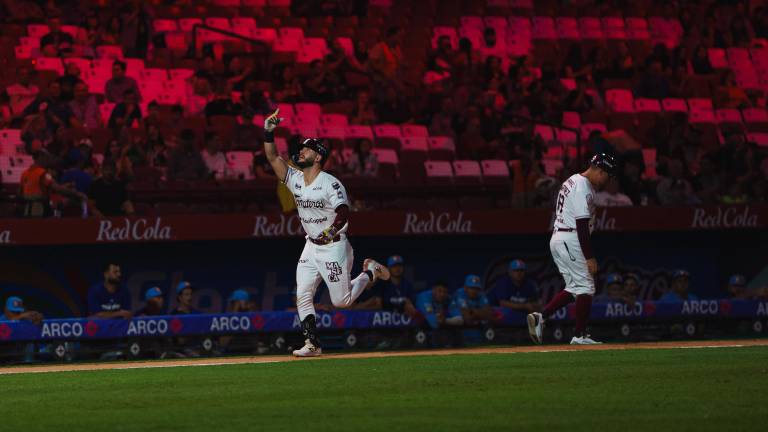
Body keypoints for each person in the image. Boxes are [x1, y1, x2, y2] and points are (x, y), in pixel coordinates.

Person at [262, 109, 391, 357]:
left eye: (307, 149)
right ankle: (313, 344)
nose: (301, 152)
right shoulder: (295, 178)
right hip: (311, 245)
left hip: (334, 246)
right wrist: (268, 131)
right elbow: (272, 158)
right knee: (303, 293)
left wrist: (330, 231)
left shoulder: (330, 183)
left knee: (341, 302)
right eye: (301, 149)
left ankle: (368, 272)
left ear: (318, 157)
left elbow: (343, 211)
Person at [527, 153, 617, 345]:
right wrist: (589, 256)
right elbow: (582, 224)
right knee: (586, 286)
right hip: (571, 237)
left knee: (576, 288)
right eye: (606, 176)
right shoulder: (582, 186)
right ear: (599, 171)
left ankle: (541, 317)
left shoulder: (573, 180)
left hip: (560, 237)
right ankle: (580, 335)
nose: (606, 181)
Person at [20, 151, 87, 217]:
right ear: (41, 157)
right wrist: (76, 193)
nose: (48, 161)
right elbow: (57, 188)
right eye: (46, 158)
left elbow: (23, 191)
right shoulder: (43, 174)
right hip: (40, 211)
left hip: (27, 211)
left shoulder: (25, 173)